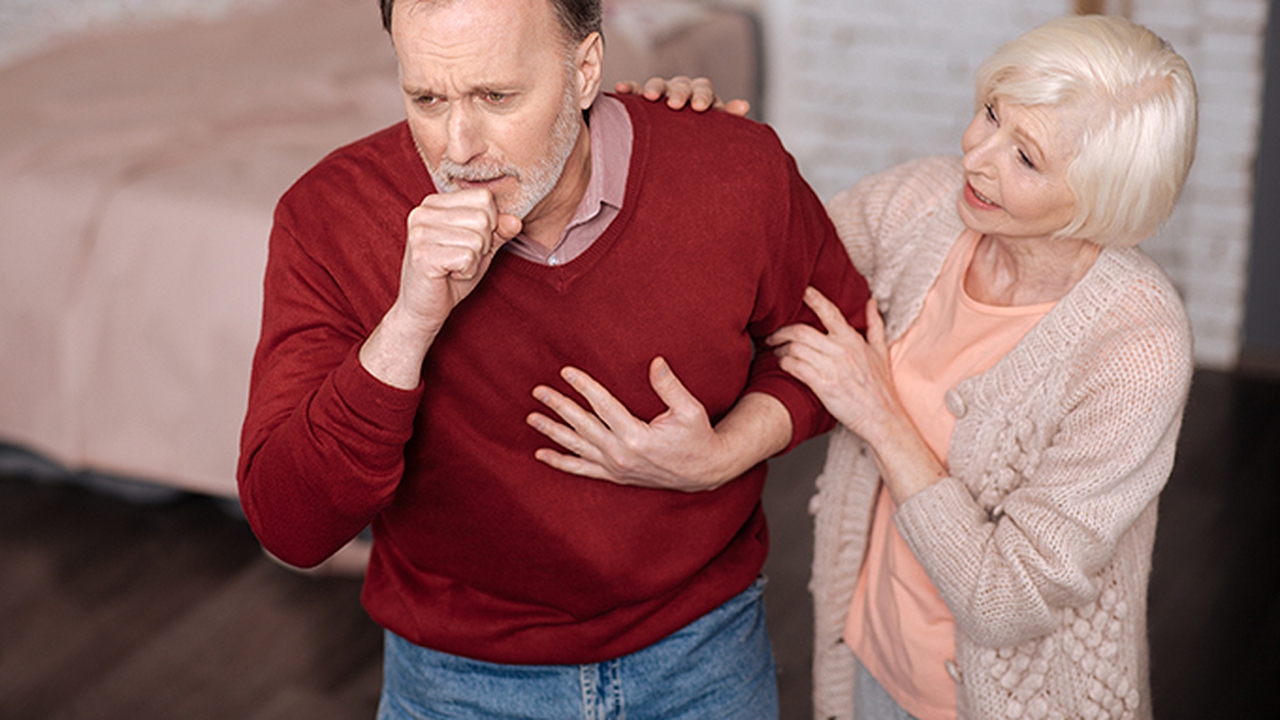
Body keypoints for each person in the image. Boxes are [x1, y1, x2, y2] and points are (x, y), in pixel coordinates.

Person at [235, 0, 869, 716]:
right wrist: (410, 322)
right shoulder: (329, 216)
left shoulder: (733, 169)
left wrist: (723, 455)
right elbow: (290, 526)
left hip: (703, 653)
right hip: (455, 681)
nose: (458, 147)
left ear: (585, 68)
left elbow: (839, 336)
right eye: (428, 99)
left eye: (497, 96)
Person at [611, 14, 1196, 720]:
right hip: (869, 657)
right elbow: (760, 275)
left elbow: (1007, 600)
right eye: (992, 113)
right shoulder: (920, 204)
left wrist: (879, 413)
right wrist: (686, 151)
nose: (976, 156)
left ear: (1104, 196)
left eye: (1026, 158)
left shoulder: (1136, 350)